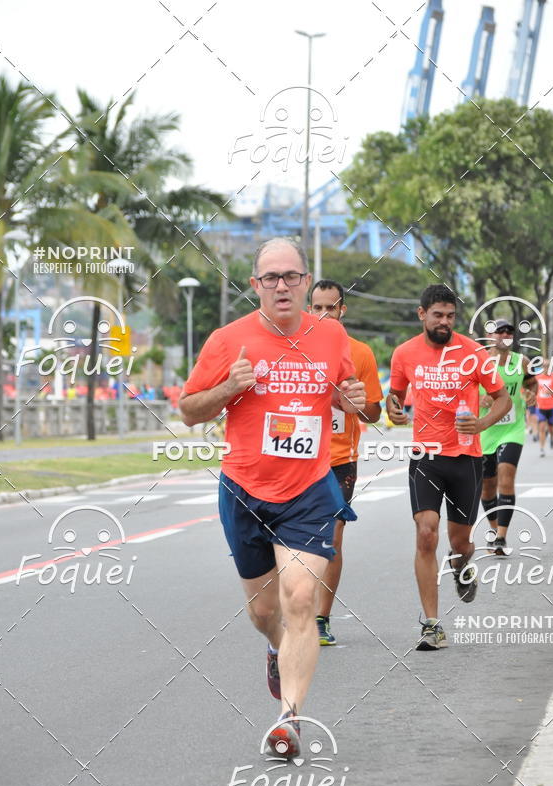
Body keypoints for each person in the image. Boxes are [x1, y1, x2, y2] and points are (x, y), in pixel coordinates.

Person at [179, 237, 365, 757]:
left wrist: (351, 399)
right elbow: (190, 410)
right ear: (255, 285)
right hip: (244, 489)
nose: (281, 285)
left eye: (291, 276)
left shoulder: (331, 335)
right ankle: (273, 647)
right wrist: (229, 388)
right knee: (265, 612)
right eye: (270, 278)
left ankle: (290, 719)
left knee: (301, 598)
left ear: (307, 282)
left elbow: (346, 394)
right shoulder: (226, 340)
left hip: (308, 489)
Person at [387, 284, 511, 651]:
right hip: (426, 456)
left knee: (461, 543)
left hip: (467, 458)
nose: (444, 322)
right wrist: (394, 411)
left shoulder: (473, 352)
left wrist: (483, 424)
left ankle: (460, 568)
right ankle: (431, 623)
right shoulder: (404, 353)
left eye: (450, 316)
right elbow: (395, 398)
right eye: (437, 315)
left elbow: (502, 399)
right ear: (421, 314)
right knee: (427, 533)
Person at [308, 279, 382, 645]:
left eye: (330, 308)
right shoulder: (294, 349)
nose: (323, 315)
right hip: (298, 459)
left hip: (340, 461)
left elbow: (373, 414)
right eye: (316, 308)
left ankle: (321, 618)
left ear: (342, 310)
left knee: (330, 540)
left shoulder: (361, 353)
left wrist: (356, 402)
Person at [479, 319, 538, 554]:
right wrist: (477, 399)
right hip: (485, 429)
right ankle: (494, 530)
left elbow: (532, 383)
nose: (504, 335)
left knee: (506, 474)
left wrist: (531, 395)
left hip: (512, 429)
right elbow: (463, 390)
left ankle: (502, 537)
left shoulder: (521, 362)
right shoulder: (480, 362)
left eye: (508, 332)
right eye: (499, 331)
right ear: (490, 335)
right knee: (487, 487)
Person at [535, 362, 553, 457]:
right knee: (542, 427)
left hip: (552, 406)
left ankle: (551, 437)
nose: (546, 368)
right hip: (540, 406)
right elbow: (533, 389)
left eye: (548, 366)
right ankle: (542, 449)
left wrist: (551, 391)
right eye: (544, 366)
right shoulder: (537, 377)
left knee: (550, 427)